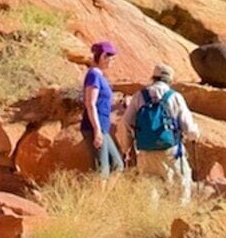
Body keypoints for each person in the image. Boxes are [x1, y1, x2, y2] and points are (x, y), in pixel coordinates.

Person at [130, 65, 193, 200]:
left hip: (145, 150)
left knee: (150, 188)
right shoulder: (174, 97)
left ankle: (149, 218)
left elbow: (125, 123)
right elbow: (188, 125)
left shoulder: (139, 96)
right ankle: (179, 216)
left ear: (153, 77)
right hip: (170, 150)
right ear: (170, 80)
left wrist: (126, 146)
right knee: (182, 181)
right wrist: (194, 135)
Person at [80, 39, 124, 174]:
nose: (113, 62)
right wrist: (97, 130)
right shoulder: (93, 75)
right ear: (104, 56)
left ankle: (103, 195)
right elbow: (90, 103)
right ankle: (97, 194)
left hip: (103, 126)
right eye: (112, 59)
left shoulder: (101, 76)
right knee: (102, 170)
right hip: (95, 126)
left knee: (117, 165)